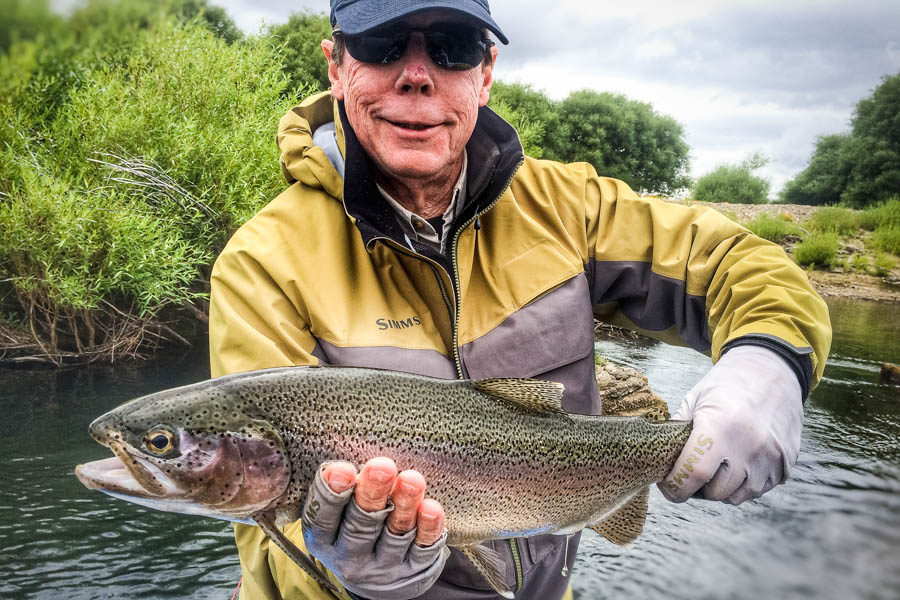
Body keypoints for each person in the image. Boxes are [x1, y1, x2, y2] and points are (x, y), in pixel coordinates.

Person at [208, 0, 832, 598]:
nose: (417, 76)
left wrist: (770, 362)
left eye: (452, 48)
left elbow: (738, 264)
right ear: (337, 67)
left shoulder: (567, 208)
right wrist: (339, 571)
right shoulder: (263, 264)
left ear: (485, 76)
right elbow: (260, 522)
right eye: (382, 44)